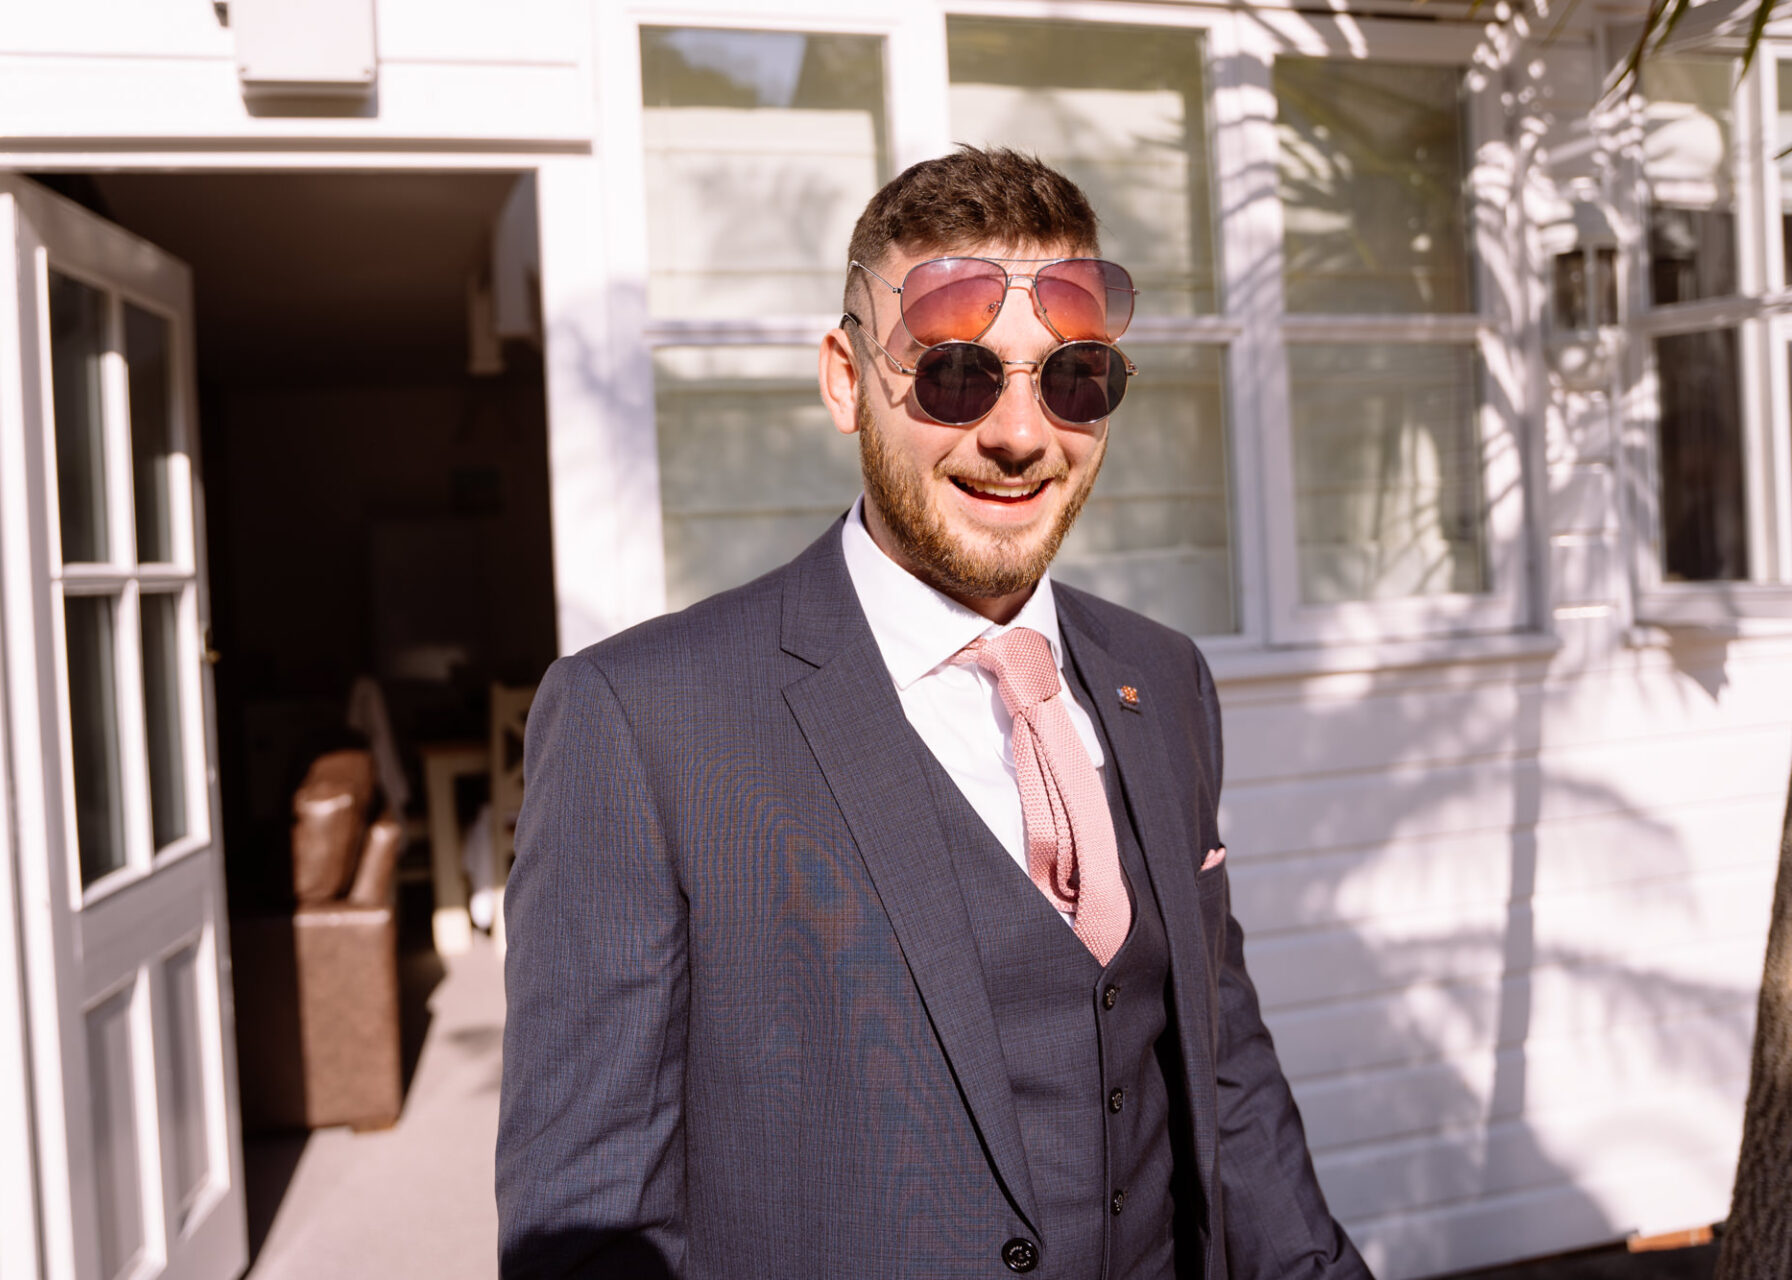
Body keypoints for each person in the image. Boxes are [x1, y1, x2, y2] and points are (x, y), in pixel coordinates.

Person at [496, 146, 1370, 1280]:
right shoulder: (642, 719)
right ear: (846, 379)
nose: (1022, 435)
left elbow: (1224, 1065)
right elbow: (588, 1219)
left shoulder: (1163, 680)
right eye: (958, 374)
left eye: (1074, 377)